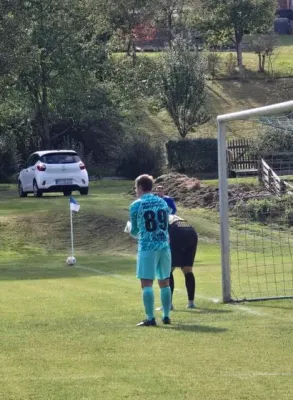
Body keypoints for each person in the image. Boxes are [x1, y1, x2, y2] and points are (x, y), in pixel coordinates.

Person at [129, 174, 172, 327]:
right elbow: (166, 224)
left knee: (146, 283)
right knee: (165, 282)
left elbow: (134, 230)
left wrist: (130, 229)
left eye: (136, 188)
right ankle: (166, 316)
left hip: (147, 247)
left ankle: (150, 318)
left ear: (140, 187)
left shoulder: (136, 205)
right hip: (164, 246)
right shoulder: (162, 202)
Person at [157, 215, 198, 310]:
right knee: (187, 269)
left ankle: (168, 304)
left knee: (168, 270)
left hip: (176, 232)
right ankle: (191, 303)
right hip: (191, 232)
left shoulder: (160, 215)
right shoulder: (174, 216)